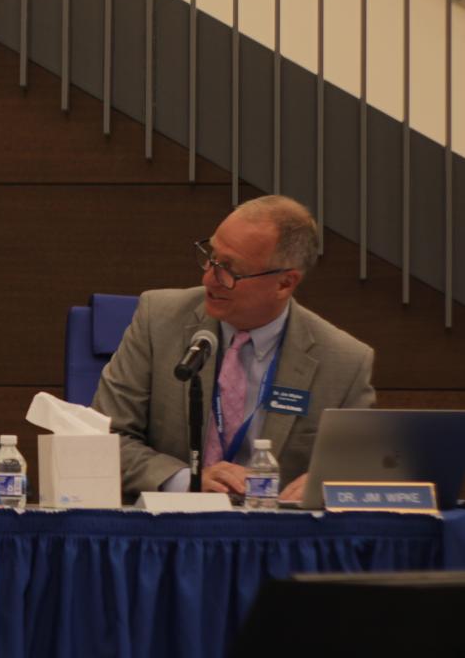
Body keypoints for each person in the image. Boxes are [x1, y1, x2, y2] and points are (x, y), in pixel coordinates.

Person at [91, 194, 374, 502]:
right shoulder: (158, 319)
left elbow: (362, 465)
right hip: (168, 531)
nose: (209, 278)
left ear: (285, 283)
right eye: (211, 257)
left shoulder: (345, 361)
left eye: (230, 269)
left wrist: (329, 483)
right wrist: (187, 480)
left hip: (276, 540)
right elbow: (101, 438)